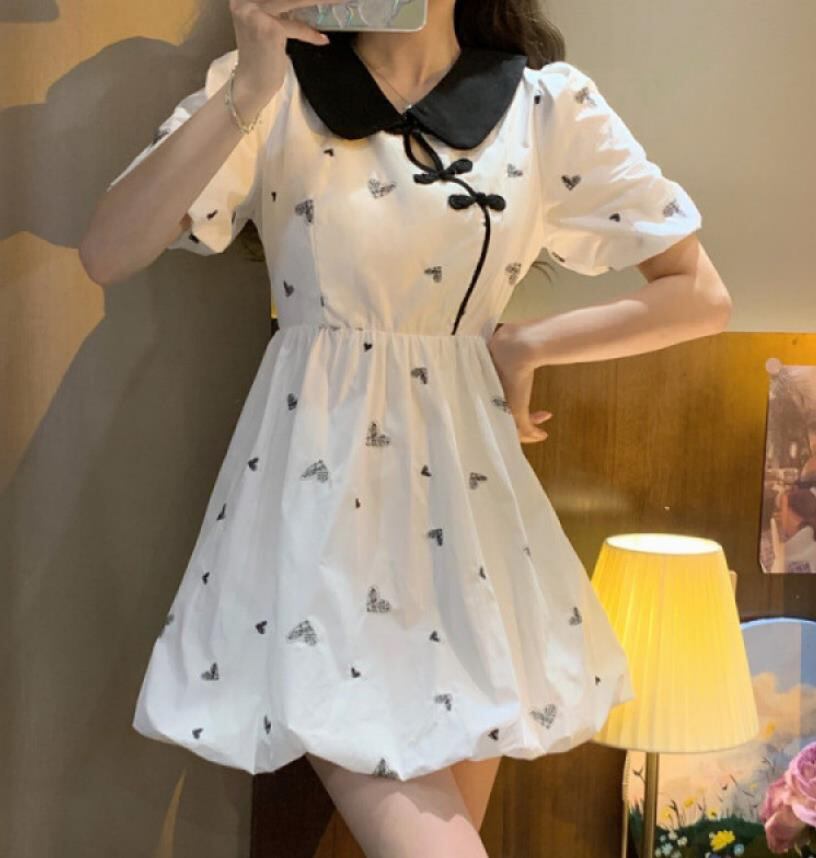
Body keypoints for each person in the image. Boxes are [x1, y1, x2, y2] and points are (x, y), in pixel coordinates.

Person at [79, 0, 732, 854]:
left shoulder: (543, 108)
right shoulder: (277, 92)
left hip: (469, 536)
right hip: (322, 520)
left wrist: (528, 343)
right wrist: (248, 86)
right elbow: (109, 250)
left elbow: (699, 295)